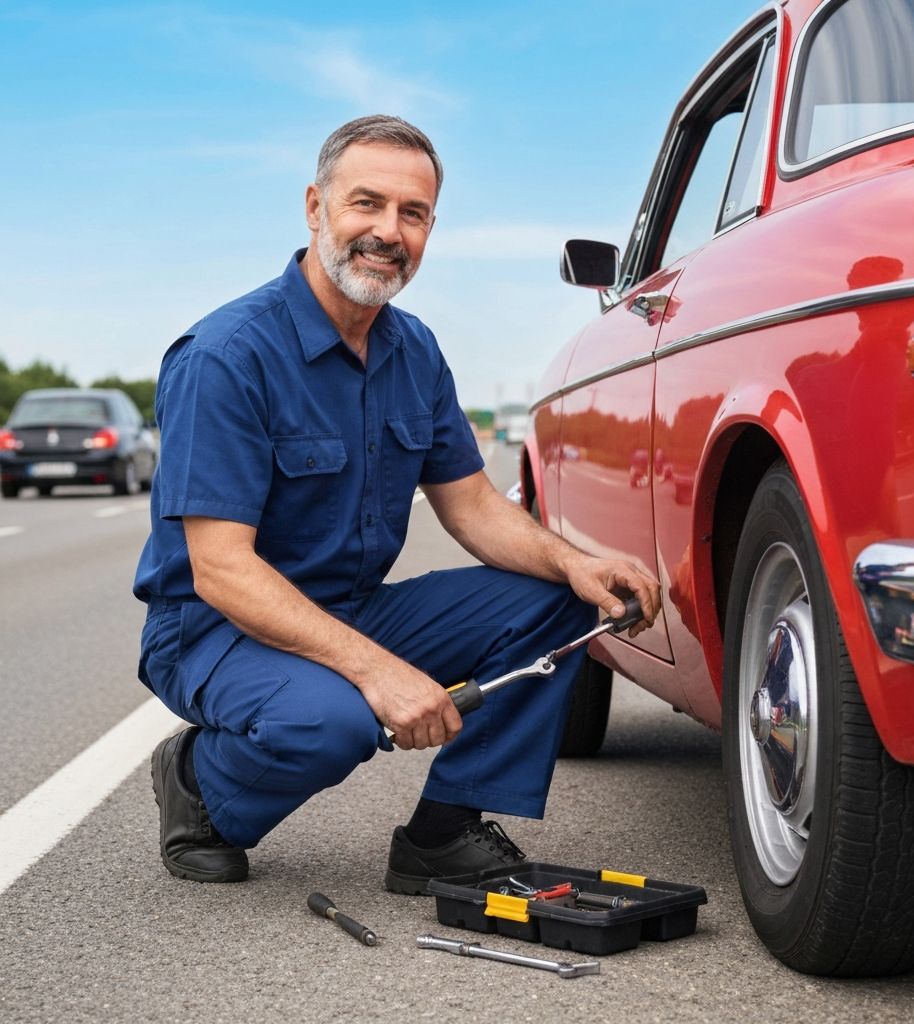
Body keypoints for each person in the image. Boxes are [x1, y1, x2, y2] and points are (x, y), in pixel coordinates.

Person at [133, 114, 661, 888]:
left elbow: (472, 504)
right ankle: (199, 786)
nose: (388, 231)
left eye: (412, 213)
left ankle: (444, 831)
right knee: (334, 721)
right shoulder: (226, 356)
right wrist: (379, 674)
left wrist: (576, 564)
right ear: (315, 207)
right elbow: (221, 570)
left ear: (430, 229)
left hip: (349, 609)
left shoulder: (414, 350)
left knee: (557, 599)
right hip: (217, 631)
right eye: (366, 203)